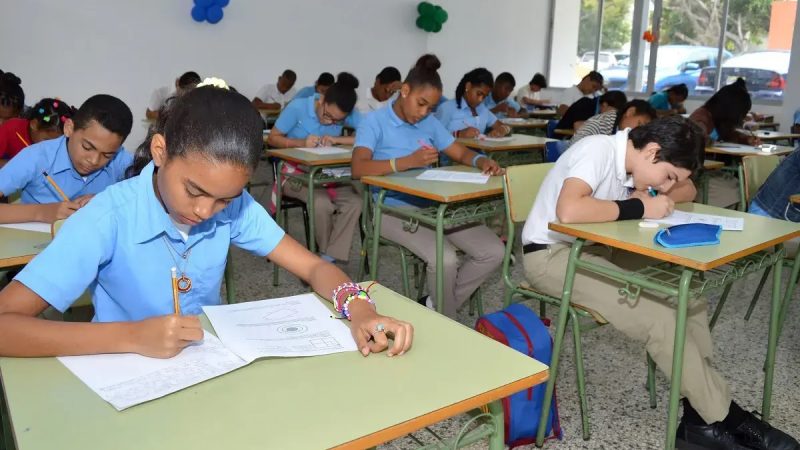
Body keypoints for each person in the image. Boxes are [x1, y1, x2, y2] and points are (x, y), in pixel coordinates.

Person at [0, 79, 413, 359]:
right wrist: (130, 336)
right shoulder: (106, 216)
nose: (203, 211)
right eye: (194, 191)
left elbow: (313, 266)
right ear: (160, 151)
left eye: (224, 199)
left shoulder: (232, 208)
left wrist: (360, 308)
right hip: (119, 367)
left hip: (205, 364)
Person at [522, 115, 799, 449]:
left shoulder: (634, 163)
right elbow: (568, 211)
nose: (667, 186)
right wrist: (640, 204)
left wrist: (656, 191)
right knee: (659, 316)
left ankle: (699, 417)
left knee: (689, 296)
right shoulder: (597, 150)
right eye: (667, 176)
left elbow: (688, 189)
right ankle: (728, 418)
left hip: (595, 248)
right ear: (652, 152)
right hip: (550, 257)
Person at [351, 54, 505, 317]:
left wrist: (480, 160)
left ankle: (438, 308)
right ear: (405, 91)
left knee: (493, 251)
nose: (423, 113)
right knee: (445, 259)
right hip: (391, 210)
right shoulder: (373, 122)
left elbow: (458, 151)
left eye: (430, 108)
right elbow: (358, 168)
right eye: (421, 104)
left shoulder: (428, 122)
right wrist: (404, 162)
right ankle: (448, 321)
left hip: (433, 204)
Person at [0, 94, 133, 224]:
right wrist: (41, 212)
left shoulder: (121, 160)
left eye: (107, 155)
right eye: (87, 147)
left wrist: (109, 200)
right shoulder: (36, 157)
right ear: (69, 128)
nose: (94, 160)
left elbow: (148, 198)